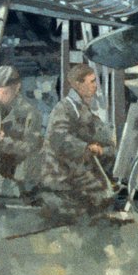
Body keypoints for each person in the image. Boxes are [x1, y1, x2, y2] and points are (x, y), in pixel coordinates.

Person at [39, 64, 116, 218]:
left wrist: (113, 139)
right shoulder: (65, 108)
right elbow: (59, 139)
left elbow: (98, 130)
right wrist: (87, 148)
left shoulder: (81, 108)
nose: (95, 86)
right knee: (99, 194)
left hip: (73, 168)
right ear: (78, 85)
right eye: (92, 81)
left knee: (105, 191)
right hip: (60, 172)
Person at [0, 64, 42, 206]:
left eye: (5, 93)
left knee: (30, 165)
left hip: (18, 158)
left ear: (16, 88)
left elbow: (31, 146)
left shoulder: (30, 112)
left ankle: (30, 196)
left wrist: (5, 141)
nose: (0, 97)